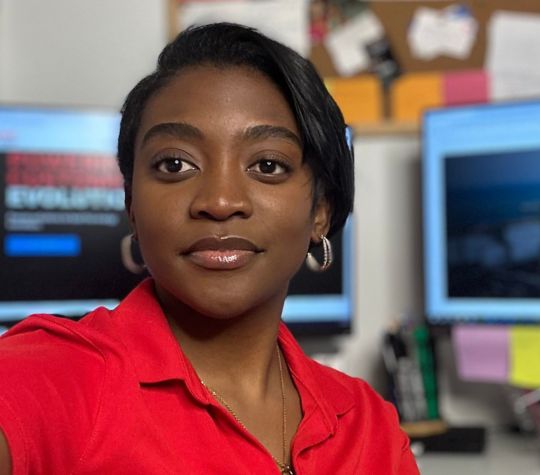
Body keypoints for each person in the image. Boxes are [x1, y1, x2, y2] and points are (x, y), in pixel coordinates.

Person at [0, 23, 419, 474]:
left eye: (268, 164)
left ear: (320, 210)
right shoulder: (49, 378)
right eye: (175, 164)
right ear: (132, 205)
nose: (220, 202)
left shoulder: (368, 425)